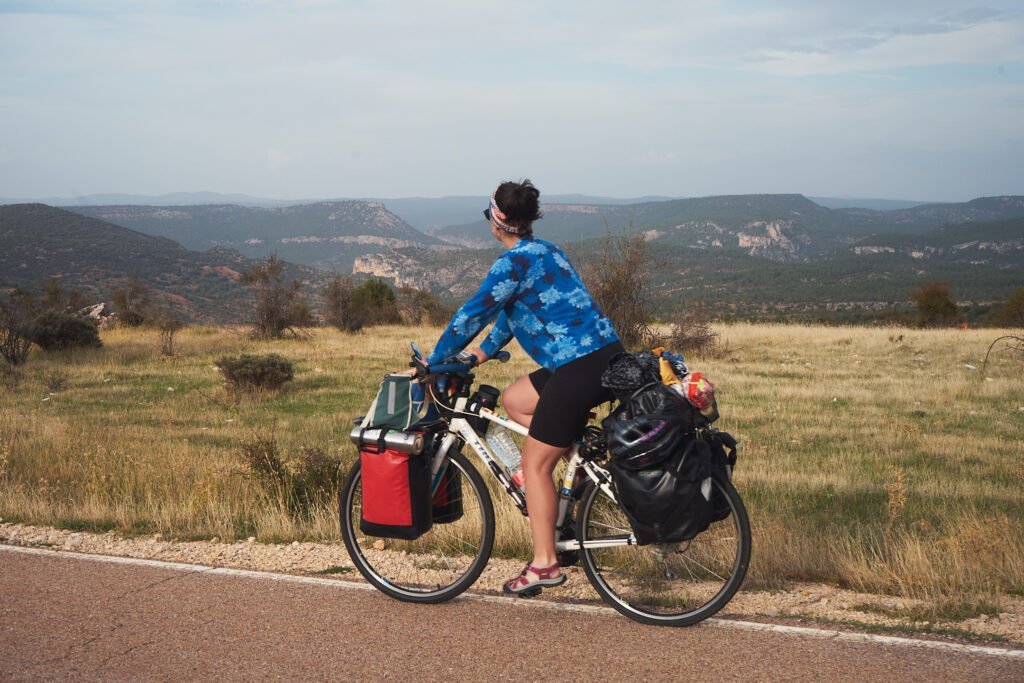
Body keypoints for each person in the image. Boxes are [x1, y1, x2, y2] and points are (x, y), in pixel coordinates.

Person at [425, 179, 623, 595]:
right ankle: (575, 472)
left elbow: (472, 313)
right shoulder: (547, 251)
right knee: (516, 400)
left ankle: (544, 564)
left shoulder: (511, 264)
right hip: (601, 356)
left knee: (534, 465)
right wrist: (478, 355)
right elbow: (511, 314)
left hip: (577, 367)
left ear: (498, 220)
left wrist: (435, 359)